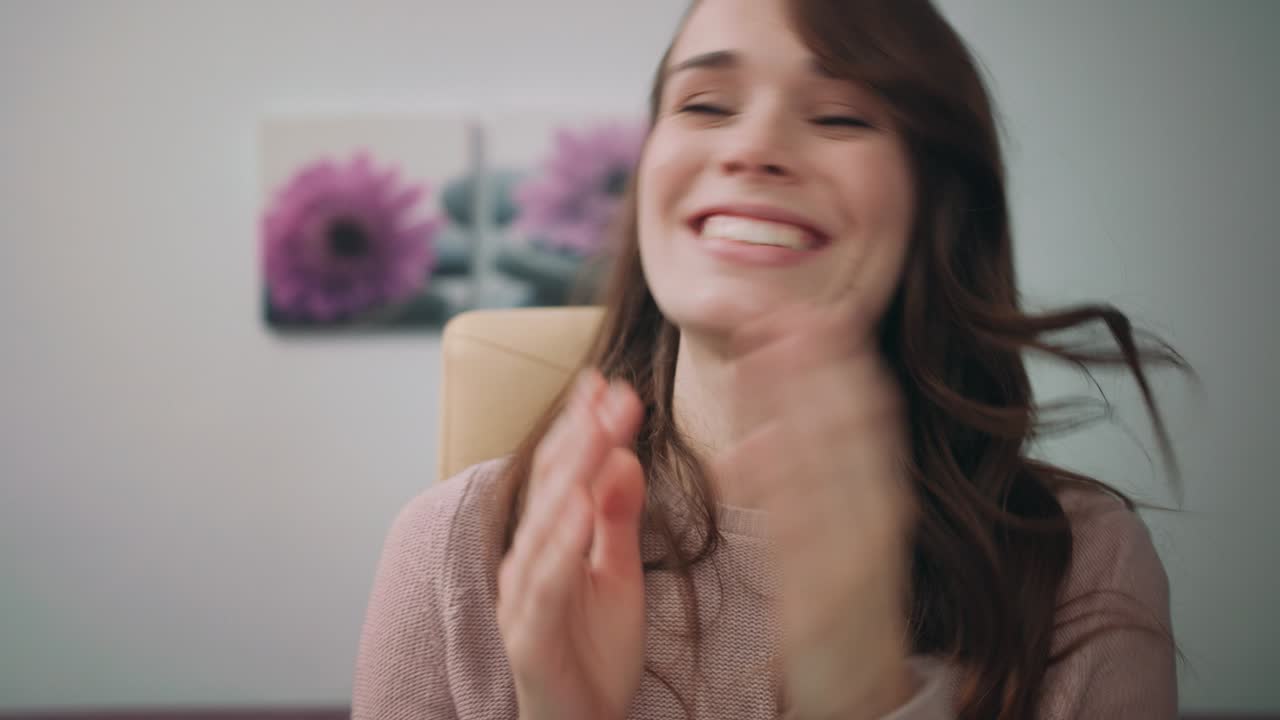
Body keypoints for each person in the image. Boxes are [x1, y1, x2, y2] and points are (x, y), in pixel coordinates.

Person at [353, 0, 1187, 717]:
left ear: (937, 205)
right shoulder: (451, 551)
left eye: (840, 115)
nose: (753, 147)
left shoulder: (1083, 563)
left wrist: (869, 696)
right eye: (707, 105)